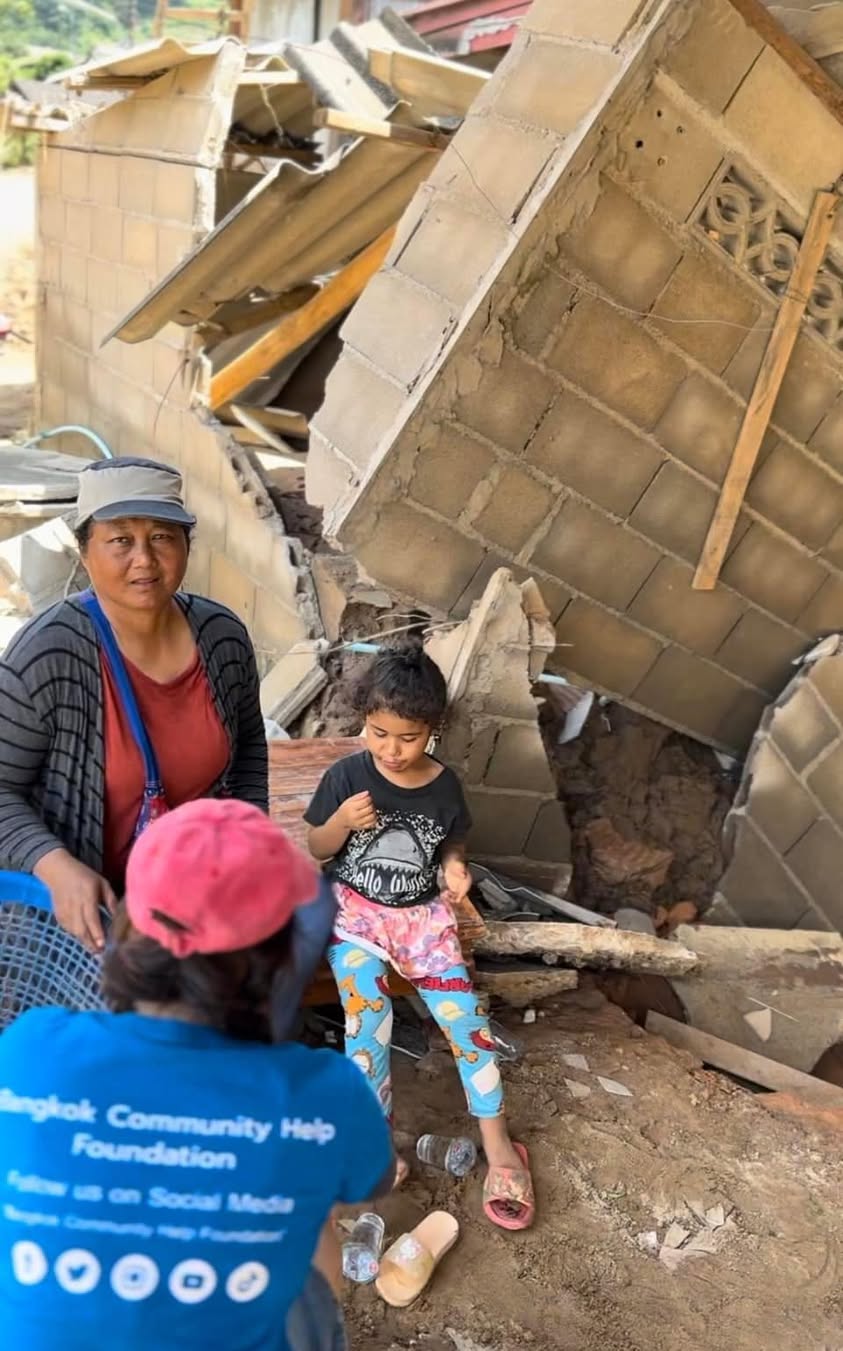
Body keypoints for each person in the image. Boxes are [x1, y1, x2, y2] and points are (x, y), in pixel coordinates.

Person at [0, 798, 395, 1350]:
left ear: (132, 926)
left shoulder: (30, 1048)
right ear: (282, 959)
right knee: (313, 1220)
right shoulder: (326, 1095)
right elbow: (369, 1182)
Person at [304, 647, 535, 1230]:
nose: (391, 749)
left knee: (466, 1023)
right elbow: (316, 847)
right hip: (356, 917)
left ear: (433, 731)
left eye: (408, 737)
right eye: (378, 733)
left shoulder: (444, 788)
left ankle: (500, 1145)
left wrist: (456, 869)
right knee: (367, 1022)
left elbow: (452, 843)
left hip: (423, 920)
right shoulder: (347, 776)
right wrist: (339, 826)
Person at [0, 456, 268, 951]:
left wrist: (246, 842)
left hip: (190, 911)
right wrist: (56, 866)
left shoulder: (222, 637)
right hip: (81, 929)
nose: (144, 559)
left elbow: (249, 744)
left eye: (163, 537)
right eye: (120, 540)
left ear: (187, 545)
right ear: (85, 552)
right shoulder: (47, 655)